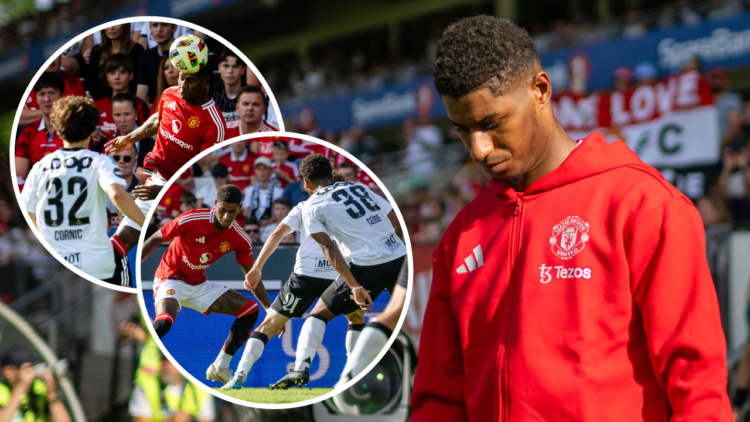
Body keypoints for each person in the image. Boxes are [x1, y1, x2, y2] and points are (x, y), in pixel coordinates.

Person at [410, 16, 731, 421]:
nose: (478, 149)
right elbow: (439, 398)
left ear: (540, 89)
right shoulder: (459, 237)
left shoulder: (643, 205)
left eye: (491, 123)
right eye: (462, 130)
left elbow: (698, 388)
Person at [266, 154, 406, 389]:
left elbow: (329, 249)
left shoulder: (312, 206)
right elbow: (395, 220)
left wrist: (355, 286)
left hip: (367, 265)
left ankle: (301, 369)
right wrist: (390, 251)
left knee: (318, 314)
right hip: (400, 256)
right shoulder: (358, 186)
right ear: (331, 174)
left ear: (306, 183)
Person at [223, 174, 366, 390]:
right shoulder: (348, 208)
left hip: (305, 276)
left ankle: (239, 376)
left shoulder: (303, 206)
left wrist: (257, 267)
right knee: (356, 317)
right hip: (338, 274)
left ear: (309, 185)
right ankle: (353, 374)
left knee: (267, 326)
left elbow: (278, 233)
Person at [105, 55, 225, 286]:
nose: (182, 86)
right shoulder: (170, 94)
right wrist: (130, 138)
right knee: (118, 244)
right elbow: (158, 119)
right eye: (180, 78)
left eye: (189, 81)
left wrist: (163, 190)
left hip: (177, 191)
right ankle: (123, 285)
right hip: (154, 182)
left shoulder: (214, 124)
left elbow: (197, 169)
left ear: (205, 82)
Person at [139, 185, 271, 387]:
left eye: (232, 212)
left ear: (240, 209)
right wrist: (131, 268)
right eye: (222, 210)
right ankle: (142, 364)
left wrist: (269, 310)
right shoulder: (192, 218)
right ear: (216, 204)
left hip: (198, 284)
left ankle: (220, 367)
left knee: (250, 310)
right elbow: (155, 238)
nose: (226, 217)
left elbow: (252, 276)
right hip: (170, 277)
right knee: (164, 321)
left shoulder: (240, 238)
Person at [21, 96, 145, 282]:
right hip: (96, 261)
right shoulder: (100, 161)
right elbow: (117, 194)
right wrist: (146, 224)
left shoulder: (40, 166)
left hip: (60, 262)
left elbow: (29, 212)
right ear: (91, 129)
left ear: (58, 129)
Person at [129, 354, 215, 422]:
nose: (166, 364)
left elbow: (207, 420)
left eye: (171, 359)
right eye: (163, 359)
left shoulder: (200, 387)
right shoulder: (146, 385)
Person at [91, 55, 150, 150]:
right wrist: (92, 138)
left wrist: (108, 139)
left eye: (122, 72)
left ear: (131, 76)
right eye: (112, 73)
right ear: (107, 77)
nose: (117, 77)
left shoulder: (139, 105)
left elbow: (145, 136)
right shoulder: (96, 105)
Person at [15, 73, 65, 184]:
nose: (47, 99)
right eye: (42, 94)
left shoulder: (76, 130)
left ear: (62, 96)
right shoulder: (27, 133)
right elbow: (18, 178)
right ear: (36, 99)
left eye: (52, 93)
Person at [0, 345, 71, 422]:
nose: (31, 371)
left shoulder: (39, 389)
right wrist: (20, 387)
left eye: (32, 366)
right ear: (8, 372)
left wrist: (52, 395)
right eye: (25, 368)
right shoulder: (2, 391)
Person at [81, 24, 144, 100]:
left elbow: (138, 82)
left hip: (128, 100)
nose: (111, 28)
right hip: (101, 100)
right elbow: (91, 81)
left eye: (116, 24)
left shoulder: (137, 50)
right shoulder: (97, 50)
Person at [20, 55, 85, 128]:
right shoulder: (26, 83)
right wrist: (53, 112)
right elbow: (19, 118)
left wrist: (30, 115)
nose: (51, 61)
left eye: (55, 55)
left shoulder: (72, 82)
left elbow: (69, 116)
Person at [241, 157, 284, 242]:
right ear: (255, 171)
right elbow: (246, 211)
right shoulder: (249, 190)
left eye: (265, 169)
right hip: (252, 227)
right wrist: (252, 226)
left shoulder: (279, 191)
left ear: (270, 171)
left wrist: (262, 224)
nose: (262, 172)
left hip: (270, 227)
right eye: (259, 169)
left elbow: (277, 214)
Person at [136, 22, 177, 104]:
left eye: (164, 24)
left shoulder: (186, 54)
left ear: (174, 28)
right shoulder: (145, 58)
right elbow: (140, 96)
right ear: (150, 28)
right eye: (155, 25)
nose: (159, 30)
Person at [211, 48, 247, 123]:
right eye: (226, 66)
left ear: (243, 70)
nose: (230, 71)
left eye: (235, 66)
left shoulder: (251, 97)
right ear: (219, 68)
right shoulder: (212, 98)